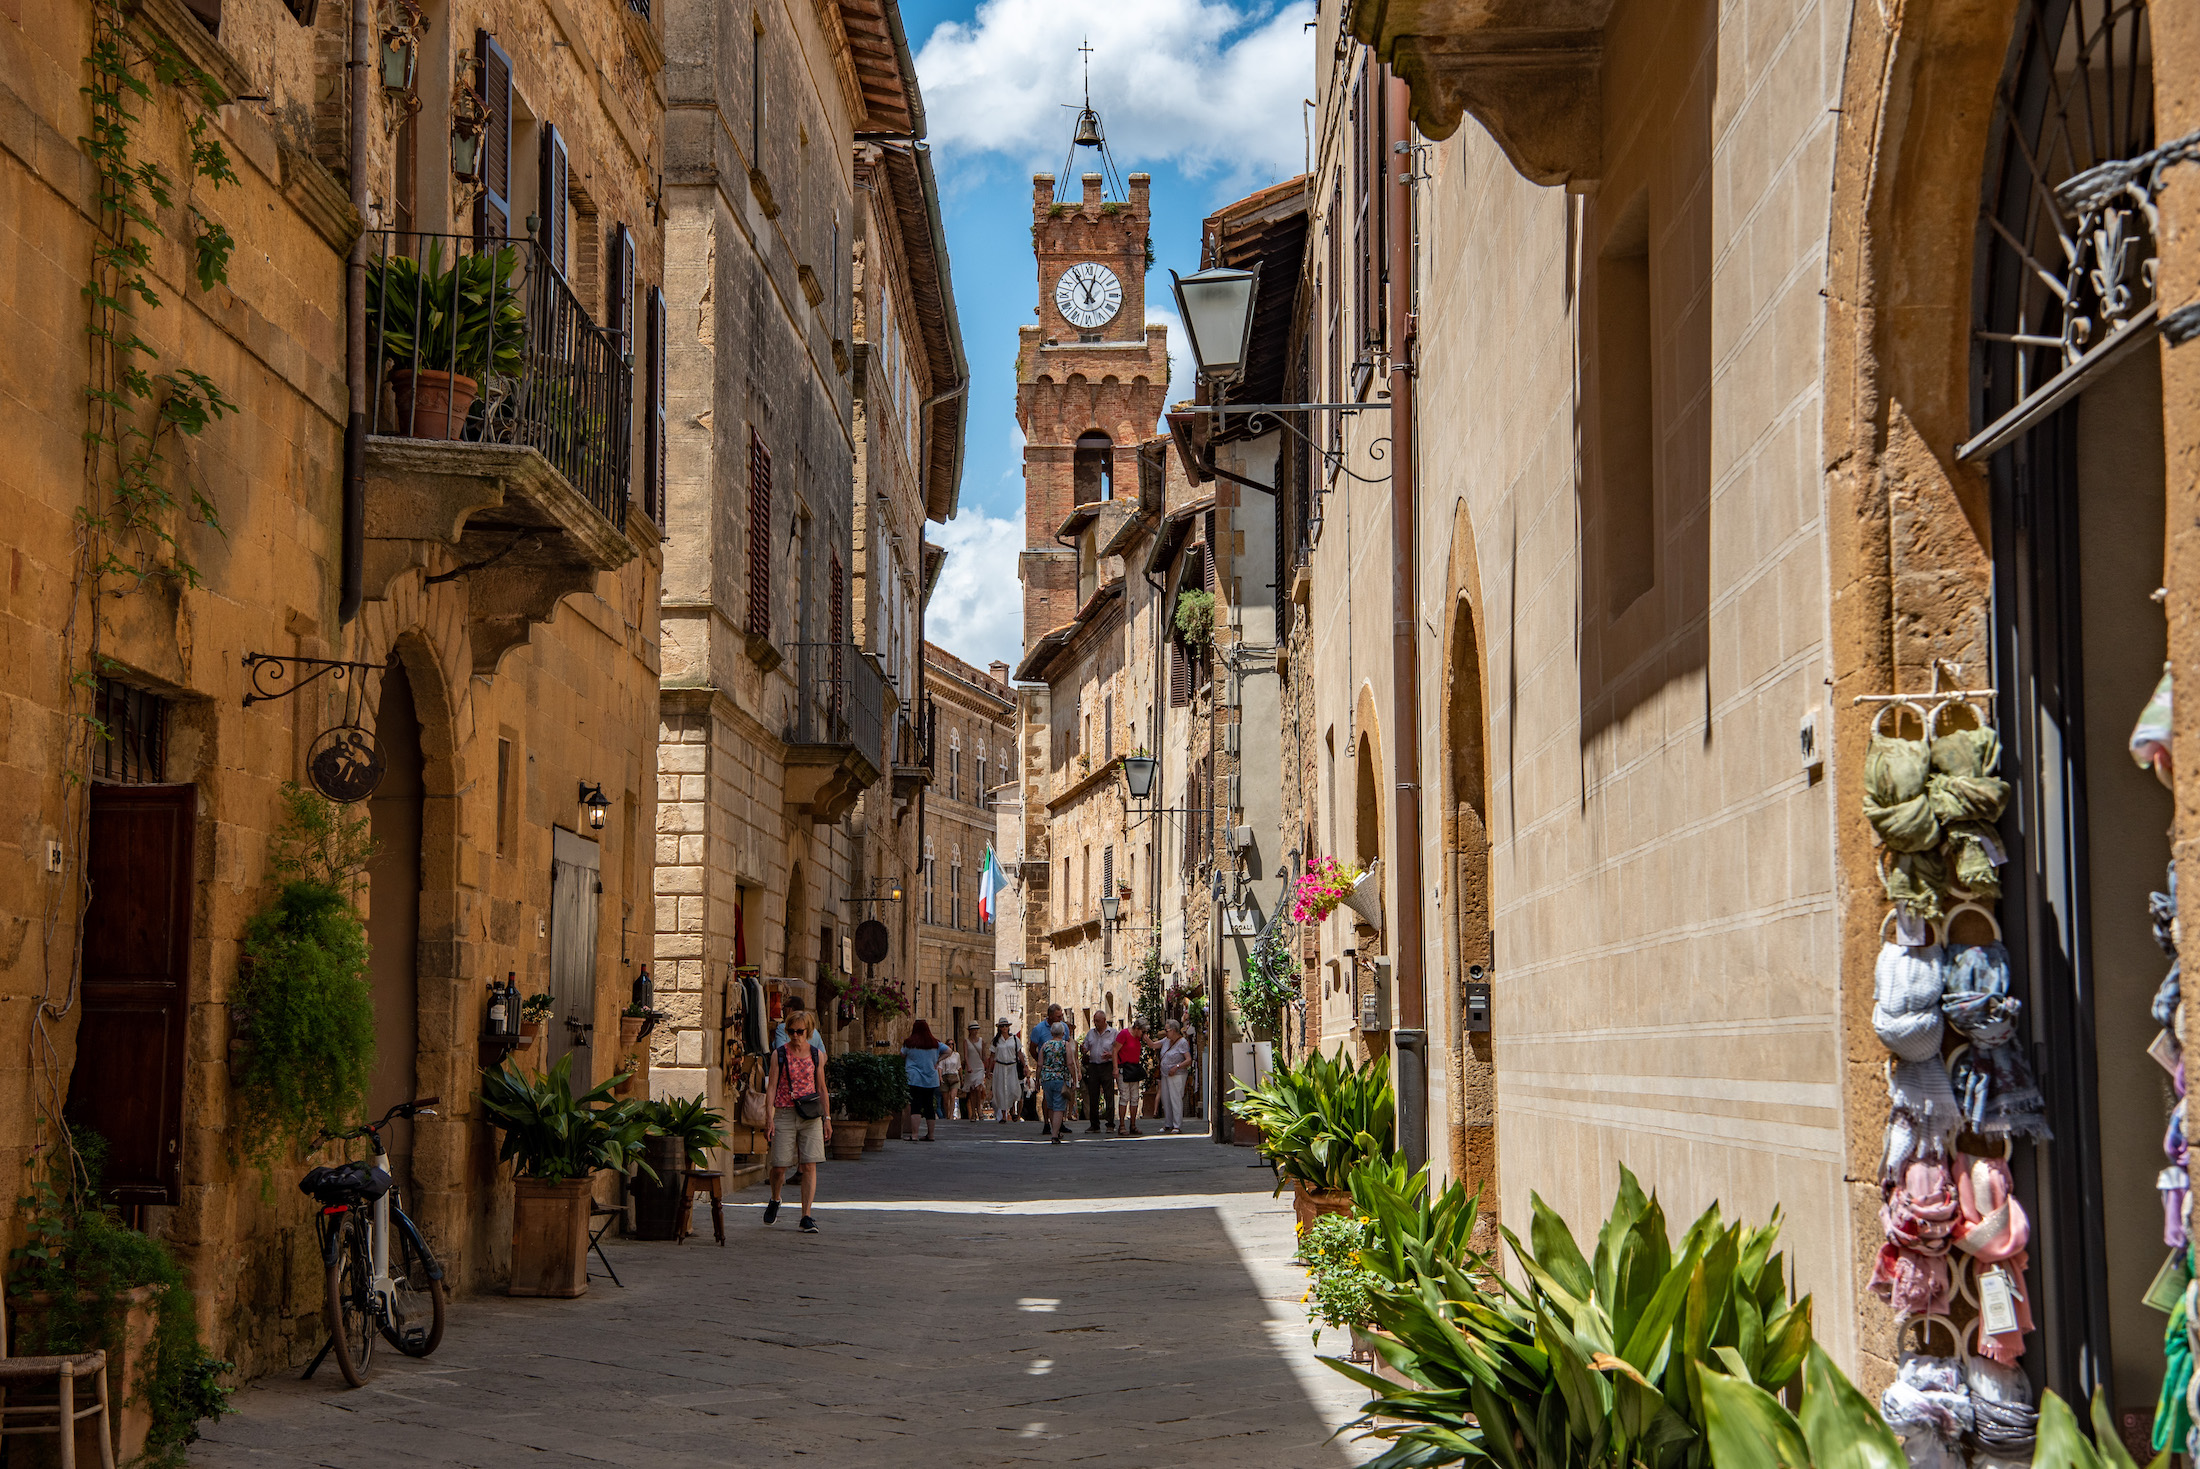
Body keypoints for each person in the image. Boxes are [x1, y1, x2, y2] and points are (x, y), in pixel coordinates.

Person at [764, 1005, 831, 1232]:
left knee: (809, 1165)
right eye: (791, 1031)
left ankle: (806, 1215)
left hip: (810, 1115)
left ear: (808, 1032)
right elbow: (771, 1087)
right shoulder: (779, 1054)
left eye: (799, 1031)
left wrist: (827, 1118)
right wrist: (769, 1118)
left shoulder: (816, 1055)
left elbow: (822, 1088)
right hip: (784, 1112)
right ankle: (775, 1198)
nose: (794, 1036)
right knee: (780, 1166)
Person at [902, 1019, 951, 1140]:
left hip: (914, 1078)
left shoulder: (909, 1043)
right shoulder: (935, 1043)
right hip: (930, 1078)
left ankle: (914, 1135)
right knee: (929, 1106)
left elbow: (902, 1054)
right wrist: (937, 1059)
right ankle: (931, 1135)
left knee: (916, 1106)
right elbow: (949, 1051)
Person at [1028, 1003, 1065, 1131]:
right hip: (1048, 1070)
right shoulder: (1039, 1029)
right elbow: (1032, 1048)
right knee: (1048, 1098)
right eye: (1057, 1016)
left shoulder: (1063, 1027)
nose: (1060, 1019)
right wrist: (1041, 1061)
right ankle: (1047, 1124)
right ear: (1050, 1016)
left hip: (1061, 1070)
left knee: (1062, 1096)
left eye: (1061, 1016)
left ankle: (1060, 1123)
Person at [1081, 1012, 1118, 1133]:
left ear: (1104, 1020)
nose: (1095, 1023)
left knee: (1109, 1095)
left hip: (1107, 1066)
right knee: (1093, 1096)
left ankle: (1110, 1124)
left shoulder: (1113, 1033)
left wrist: (1111, 1055)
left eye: (1097, 1021)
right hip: (1093, 1066)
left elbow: (1118, 1050)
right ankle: (1094, 1124)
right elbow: (1086, 1046)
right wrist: (1084, 1049)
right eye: (1094, 1021)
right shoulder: (1091, 1033)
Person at [1039, 1019, 1073, 1142]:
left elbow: (1039, 1064)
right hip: (1060, 1078)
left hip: (1047, 1079)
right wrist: (1074, 1076)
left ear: (1051, 1033)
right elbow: (1069, 1063)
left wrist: (1038, 1079)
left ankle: (1056, 1131)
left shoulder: (1045, 1045)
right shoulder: (1065, 1045)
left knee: (1051, 1106)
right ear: (1063, 1033)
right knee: (1059, 1107)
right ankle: (1054, 1135)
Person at [1158, 1018, 1193, 1134]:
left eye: (1166, 1030)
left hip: (1177, 1075)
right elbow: (1153, 1045)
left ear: (1173, 1030)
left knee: (1175, 1098)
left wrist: (1176, 1066)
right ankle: (1168, 1123)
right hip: (1166, 1074)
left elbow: (1188, 1060)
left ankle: (1177, 1125)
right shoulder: (1166, 1040)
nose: (1165, 1032)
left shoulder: (1182, 1042)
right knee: (1166, 1098)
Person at [988, 1017, 1025, 1125]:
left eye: (1006, 1026)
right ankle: (1004, 1114)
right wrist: (989, 1070)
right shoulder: (996, 1041)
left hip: (1012, 1066)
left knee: (1013, 1088)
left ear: (1008, 1027)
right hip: (1000, 1066)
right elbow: (992, 1056)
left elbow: (1019, 1053)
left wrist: (1025, 1066)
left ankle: (1012, 1109)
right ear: (999, 1028)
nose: (1004, 1028)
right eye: (1002, 1026)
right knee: (1001, 1090)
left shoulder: (1014, 1039)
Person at [1114, 1021, 1146, 1136]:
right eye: (1143, 1031)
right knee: (1124, 1097)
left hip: (1134, 1070)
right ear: (1137, 1028)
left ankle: (1133, 1125)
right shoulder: (1124, 1034)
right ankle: (1122, 1125)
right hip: (1124, 1069)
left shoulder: (1139, 1038)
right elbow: (1115, 1050)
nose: (1143, 1034)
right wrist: (1115, 1068)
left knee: (1135, 1097)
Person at [959, 1022, 989, 1121]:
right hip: (971, 1068)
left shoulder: (981, 1041)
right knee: (972, 1091)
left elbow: (984, 1055)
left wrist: (988, 1068)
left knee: (978, 1089)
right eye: (973, 1029)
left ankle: (979, 1110)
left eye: (977, 1029)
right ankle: (973, 1113)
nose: (975, 1031)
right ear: (970, 1030)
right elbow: (966, 1055)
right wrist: (968, 1066)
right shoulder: (966, 1041)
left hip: (979, 1067)